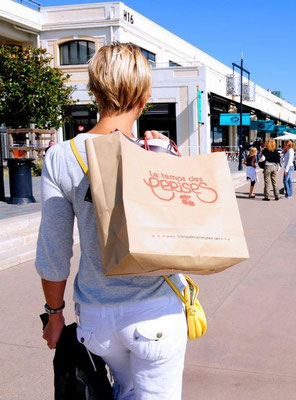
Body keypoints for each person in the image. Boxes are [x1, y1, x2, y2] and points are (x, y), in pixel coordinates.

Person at [36, 43, 188, 399]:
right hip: (157, 313)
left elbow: (54, 251)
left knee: (125, 389)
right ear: (146, 96)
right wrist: (172, 163)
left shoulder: (62, 156)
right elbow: (183, 231)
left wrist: (54, 314)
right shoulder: (156, 152)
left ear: (93, 91)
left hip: (97, 317)